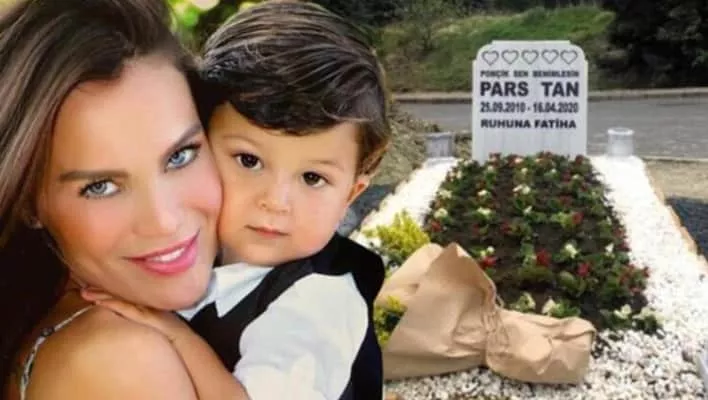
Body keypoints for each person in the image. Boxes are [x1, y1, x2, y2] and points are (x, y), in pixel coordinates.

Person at [84, 1, 392, 399]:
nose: (275, 201)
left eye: (312, 178)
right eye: (249, 161)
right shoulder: (190, 253)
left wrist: (178, 338)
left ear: (351, 193)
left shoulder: (319, 301)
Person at [0, 0, 247, 398]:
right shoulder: (124, 360)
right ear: (30, 205)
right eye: (100, 186)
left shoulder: (66, 329)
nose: (164, 220)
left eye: (180, 156)